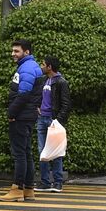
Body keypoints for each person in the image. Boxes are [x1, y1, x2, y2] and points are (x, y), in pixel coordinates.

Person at [0, 39, 43, 202]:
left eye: (16, 51)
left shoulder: (27, 68)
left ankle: (17, 189)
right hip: (28, 115)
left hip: (21, 116)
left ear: (27, 52)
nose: (13, 54)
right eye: (13, 51)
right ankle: (28, 189)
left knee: (19, 154)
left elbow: (23, 95)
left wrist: (11, 113)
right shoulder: (31, 67)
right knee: (26, 153)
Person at [36, 55, 70, 194]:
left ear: (50, 67)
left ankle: (57, 182)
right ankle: (44, 182)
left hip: (53, 120)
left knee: (56, 152)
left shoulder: (61, 82)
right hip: (41, 118)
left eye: (43, 64)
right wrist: (37, 107)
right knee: (42, 152)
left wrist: (58, 120)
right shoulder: (43, 80)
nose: (41, 66)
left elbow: (66, 104)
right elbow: (38, 97)